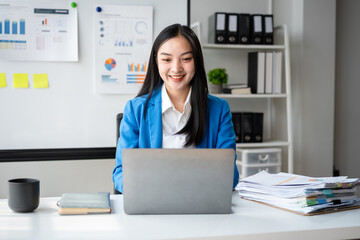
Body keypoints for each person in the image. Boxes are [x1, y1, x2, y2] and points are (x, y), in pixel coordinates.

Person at [113, 23, 239, 193]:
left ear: (197, 61)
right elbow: (121, 172)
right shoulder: (135, 110)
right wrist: (143, 191)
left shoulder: (219, 109)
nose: (176, 68)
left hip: (201, 207)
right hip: (151, 203)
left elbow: (230, 173)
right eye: (166, 59)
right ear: (156, 61)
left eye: (186, 59)